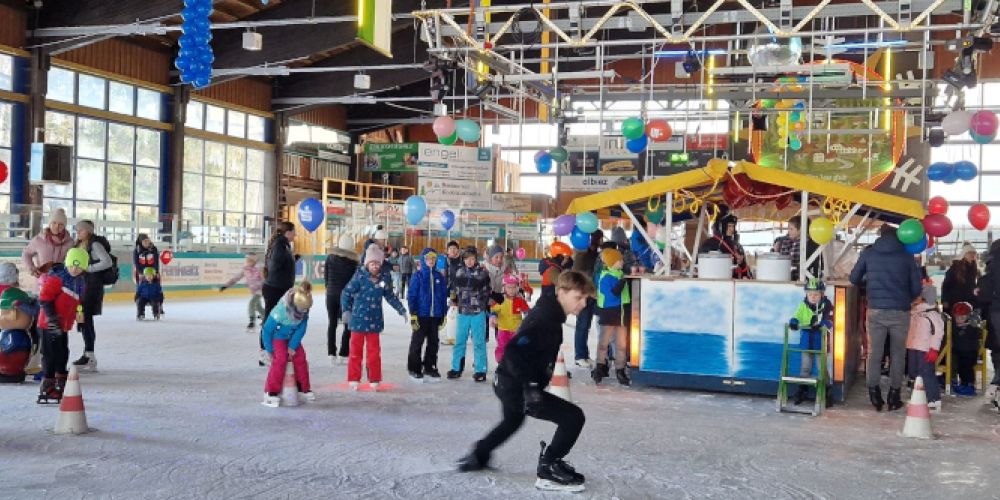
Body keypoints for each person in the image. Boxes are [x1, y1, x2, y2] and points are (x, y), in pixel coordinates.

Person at [456, 271, 594, 493]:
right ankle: (548, 467)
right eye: (579, 298)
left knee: (512, 422)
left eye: (586, 299)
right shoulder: (545, 319)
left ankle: (478, 454)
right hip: (516, 386)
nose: (583, 304)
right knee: (573, 417)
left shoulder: (551, 313)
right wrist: (530, 386)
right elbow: (512, 351)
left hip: (507, 381)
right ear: (562, 293)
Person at [850, 224, 922, 412]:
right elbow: (917, 288)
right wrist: (904, 297)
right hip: (900, 311)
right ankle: (894, 396)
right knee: (898, 354)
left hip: (875, 310)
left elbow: (853, 278)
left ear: (880, 235)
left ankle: (874, 395)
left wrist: (870, 282)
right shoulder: (907, 257)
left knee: (875, 353)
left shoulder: (869, 254)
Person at [341, 244, 407, 391]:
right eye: (372, 263)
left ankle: (374, 378)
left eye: (378, 263)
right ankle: (354, 378)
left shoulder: (384, 278)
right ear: (367, 263)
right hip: (357, 320)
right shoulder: (359, 277)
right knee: (355, 352)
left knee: (374, 353)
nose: (375, 266)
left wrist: (401, 309)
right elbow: (346, 293)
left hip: (374, 321)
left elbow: (389, 295)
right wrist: (346, 311)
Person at [37, 248, 88, 404]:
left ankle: (61, 381)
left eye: (78, 266)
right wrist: (51, 318)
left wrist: (79, 314)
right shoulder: (57, 278)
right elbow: (45, 298)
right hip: (48, 324)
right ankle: (48, 385)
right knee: (50, 355)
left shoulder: (79, 282)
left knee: (62, 353)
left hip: (63, 325)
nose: (74, 269)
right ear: (67, 263)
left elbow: (77, 302)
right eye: (72, 265)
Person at [261, 281, 316, 408]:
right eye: (302, 309)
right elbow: (267, 330)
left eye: (306, 310)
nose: (304, 312)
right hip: (278, 337)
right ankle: (271, 392)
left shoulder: (304, 310)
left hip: (292, 338)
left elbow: (301, 329)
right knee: (280, 359)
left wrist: (292, 345)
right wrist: (269, 350)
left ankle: (303, 388)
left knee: (301, 357)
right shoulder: (280, 311)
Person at [73, 220, 113, 373]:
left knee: (86, 318)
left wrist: (88, 268)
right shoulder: (80, 244)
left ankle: (89, 354)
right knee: (83, 319)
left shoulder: (94, 244)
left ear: (88, 231)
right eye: (77, 230)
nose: (78, 232)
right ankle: (88, 354)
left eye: (81, 230)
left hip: (91, 287)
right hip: (82, 286)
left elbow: (107, 261)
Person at [449, 246, 492, 382]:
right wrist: (454, 300)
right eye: (467, 258)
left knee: (479, 342)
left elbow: (487, 291)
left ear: (476, 259)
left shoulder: (482, 273)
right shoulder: (459, 272)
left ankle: (480, 370)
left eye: (472, 259)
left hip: (478, 313)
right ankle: (456, 368)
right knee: (459, 341)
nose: (469, 261)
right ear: (463, 259)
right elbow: (454, 289)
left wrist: (482, 304)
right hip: (463, 312)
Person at [788, 278, 834, 406]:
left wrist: (821, 324)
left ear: (822, 294)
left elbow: (830, 320)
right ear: (806, 295)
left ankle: (827, 391)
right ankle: (803, 390)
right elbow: (796, 315)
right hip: (806, 341)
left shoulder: (827, 305)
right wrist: (794, 321)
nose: (813, 297)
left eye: (816, 294)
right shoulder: (803, 305)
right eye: (810, 294)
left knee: (822, 368)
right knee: (805, 367)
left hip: (820, 341)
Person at [406, 248, 449, 382]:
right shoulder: (417, 276)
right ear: (423, 260)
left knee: (433, 343)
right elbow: (411, 296)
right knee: (417, 342)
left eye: (433, 259)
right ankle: (414, 367)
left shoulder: (439, 277)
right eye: (428, 259)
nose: (431, 261)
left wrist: (443, 314)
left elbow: (442, 297)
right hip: (421, 315)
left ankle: (429, 367)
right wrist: (413, 314)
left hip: (435, 316)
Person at [592, 248, 631, 386]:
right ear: (612, 262)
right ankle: (599, 367)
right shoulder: (606, 277)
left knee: (621, 345)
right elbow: (613, 293)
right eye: (620, 260)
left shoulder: (620, 274)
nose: (622, 261)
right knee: (604, 343)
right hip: (608, 314)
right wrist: (622, 281)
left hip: (621, 314)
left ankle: (620, 370)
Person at [261, 221, 297, 366]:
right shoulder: (280, 246)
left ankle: (273, 351)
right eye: (294, 232)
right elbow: (274, 265)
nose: (295, 235)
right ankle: (264, 352)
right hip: (275, 289)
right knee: (269, 321)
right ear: (288, 232)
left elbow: (279, 264)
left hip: (279, 288)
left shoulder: (283, 245)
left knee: (280, 320)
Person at [906, 285, 945, 412]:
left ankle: (933, 399)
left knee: (926, 373)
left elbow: (938, 333)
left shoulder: (932, 314)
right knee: (914, 372)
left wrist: (934, 349)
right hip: (913, 346)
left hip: (925, 349)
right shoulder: (915, 312)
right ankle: (918, 397)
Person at [324, 234, 358, 366]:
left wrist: (329, 288)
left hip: (331, 295)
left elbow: (326, 277)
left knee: (332, 324)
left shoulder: (330, 258)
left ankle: (331, 353)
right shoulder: (354, 263)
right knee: (347, 325)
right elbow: (355, 283)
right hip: (346, 297)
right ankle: (344, 353)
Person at [571, 231, 603, 369]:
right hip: (584, 294)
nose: (601, 241)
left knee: (587, 326)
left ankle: (584, 354)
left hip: (592, 295)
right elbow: (578, 276)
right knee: (582, 326)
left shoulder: (596, 255)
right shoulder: (582, 256)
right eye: (600, 238)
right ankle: (579, 356)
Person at [21, 208, 74, 283]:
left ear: (64, 226)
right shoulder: (39, 239)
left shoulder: (70, 242)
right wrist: (32, 269)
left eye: (61, 224)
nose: (57, 226)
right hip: (42, 282)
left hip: (62, 281)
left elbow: (72, 261)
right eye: (54, 223)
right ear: (50, 224)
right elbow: (26, 254)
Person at [490, 274, 530, 363]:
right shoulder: (500, 299)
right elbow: (494, 310)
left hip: (516, 330)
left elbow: (527, 312)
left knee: (516, 348)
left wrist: (529, 321)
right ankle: (501, 365)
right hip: (503, 329)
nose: (511, 290)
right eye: (509, 287)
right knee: (502, 347)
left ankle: (515, 366)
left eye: (514, 287)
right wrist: (493, 317)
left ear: (517, 288)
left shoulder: (520, 300)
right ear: (504, 288)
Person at [220, 252, 265, 331]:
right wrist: (226, 285)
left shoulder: (260, 268)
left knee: (252, 303)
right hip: (253, 290)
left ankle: (252, 321)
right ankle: (267, 317)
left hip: (261, 289)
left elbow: (265, 279)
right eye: (247, 260)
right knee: (258, 307)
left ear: (254, 260)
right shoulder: (245, 269)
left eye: (250, 260)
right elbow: (236, 277)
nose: (248, 261)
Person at [698, 212, 750, 279]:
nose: (732, 229)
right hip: (717, 280)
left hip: (735, 282)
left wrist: (741, 263)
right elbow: (701, 264)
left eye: (733, 226)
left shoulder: (738, 246)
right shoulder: (710, 243)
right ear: (721, 227)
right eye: (729, 226)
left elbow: (744, 270)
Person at [949, 301, 980, 396]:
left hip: (970, 353)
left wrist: (971, 326)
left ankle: (969, 385)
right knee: (958, 365)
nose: (959, 320)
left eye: (962, 317)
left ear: (968, 317)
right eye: (957, 317)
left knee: (967, 368)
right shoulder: (955, 326)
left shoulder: (971, 326)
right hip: (960, 351)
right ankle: (962, 383)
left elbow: (976, 335)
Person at [942, 243, 980, 314]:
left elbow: (973, 285)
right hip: (955, 301)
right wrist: (945, 300)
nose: (972, 254)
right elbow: (946, 284)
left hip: (969, 301)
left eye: (974, 253)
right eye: (969, 252)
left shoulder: (974, 268)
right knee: (956, 323)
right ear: (964, 254)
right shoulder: (956, 267)